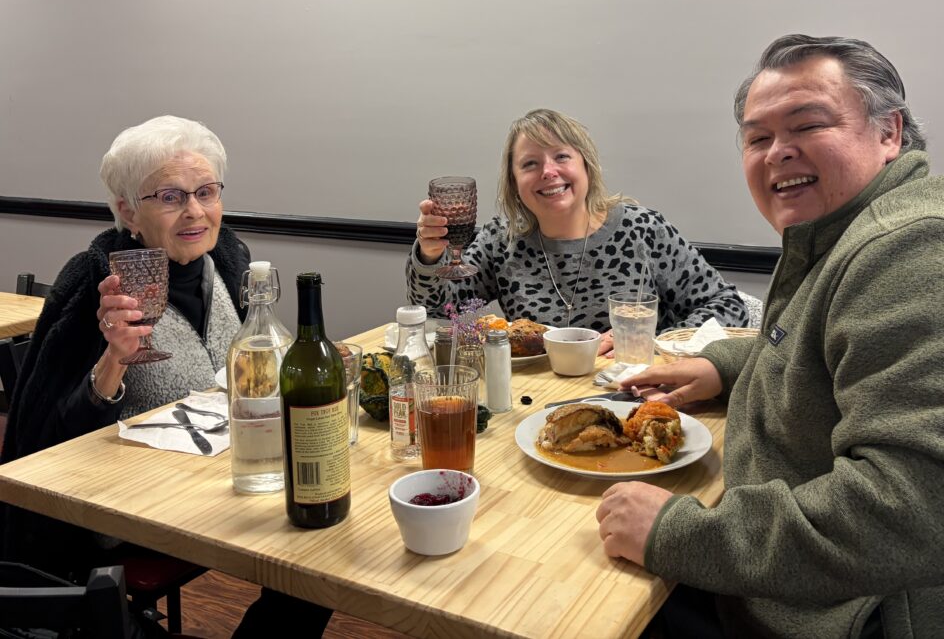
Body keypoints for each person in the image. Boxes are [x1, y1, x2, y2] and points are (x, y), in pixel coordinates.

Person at [597, 35, 944, 638]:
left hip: (866, 616)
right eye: (757, 137)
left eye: (808, 124)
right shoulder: (848, 234)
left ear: (889, 133)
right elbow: (828, 347)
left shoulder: (921, 250)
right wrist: (722, 365)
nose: (777, 153)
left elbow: (920, 517)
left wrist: (680, 534)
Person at [0, 115, 331, 637]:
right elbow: (43, 442)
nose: (195, 211)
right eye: (171, 197)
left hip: (222, 476)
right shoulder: (95, 284)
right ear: (128, 210)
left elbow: (266, 355)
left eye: (205, 191)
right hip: (127, 511)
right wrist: (113, 360)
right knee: (314, 542)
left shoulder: (227, 260)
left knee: (323, 526)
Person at [407, 108, 748, 352]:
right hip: (535, 398)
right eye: (530, 163)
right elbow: (439, 313)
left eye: (561, 157)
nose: (548, 171)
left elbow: (727, 306)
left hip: (635, 390)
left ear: (586, 166)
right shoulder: (502, 239)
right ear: (514, 182)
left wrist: (651, 343)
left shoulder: (644, 230)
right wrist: (430, 256)